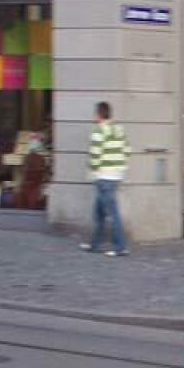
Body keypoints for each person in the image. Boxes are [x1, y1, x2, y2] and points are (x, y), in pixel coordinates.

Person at [80, 102, 131, 257]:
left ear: (98, 114)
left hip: (103, 177)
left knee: (112, 213)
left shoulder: (99, 131)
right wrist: (120, 166)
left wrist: (93, 172)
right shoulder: (119, 129)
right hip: (116, 176)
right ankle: (94, 244)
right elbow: (127, 150)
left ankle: (120, 247)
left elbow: (95, 156)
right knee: (99, 212)